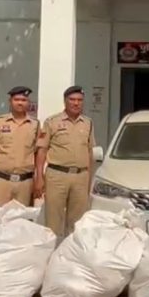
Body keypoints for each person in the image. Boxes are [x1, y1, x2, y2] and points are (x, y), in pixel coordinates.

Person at [35, 85, 96, 238]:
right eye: (72, 99)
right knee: (53, 220)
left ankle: (70, 251)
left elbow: (90, 152)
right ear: (65, 101)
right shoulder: (52, 122)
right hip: (57, 176)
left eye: (79, 100)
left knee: (77, 222)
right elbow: (42, 151)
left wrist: (89, 178)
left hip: (80, 177)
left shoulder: (88, 123)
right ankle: (51, 249)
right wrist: (39, 177)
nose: (76, 103)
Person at [0, 86, 39, 206]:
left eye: (23, 100)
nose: (20, 103)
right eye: (16, 100)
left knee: (22, 216)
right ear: (10, 101)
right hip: (1, 181)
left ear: (28, 102)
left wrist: (38, 179)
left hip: (25, 182)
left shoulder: (35, 125)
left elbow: (38, 154)